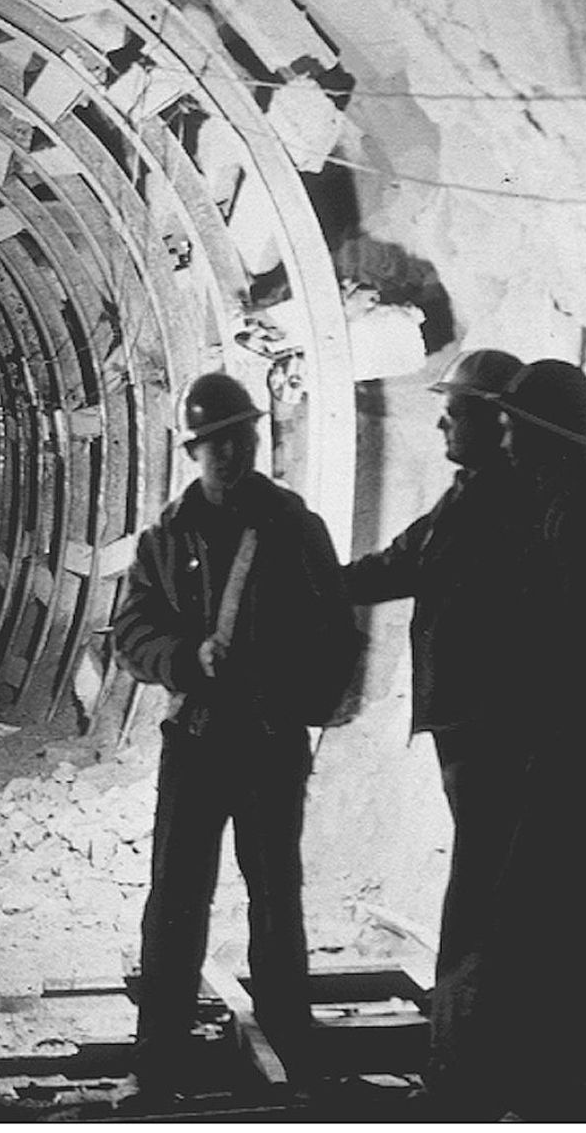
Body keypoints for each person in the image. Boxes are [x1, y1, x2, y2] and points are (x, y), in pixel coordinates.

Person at [113, 371, 360, 1103]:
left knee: (275, 897)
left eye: (238, 438)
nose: (227, 452)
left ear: (254, 441)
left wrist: (301, 703)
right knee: (175, 900)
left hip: (267, 741)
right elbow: (131, 629)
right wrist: (187, 657)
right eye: (213, 442)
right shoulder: (166, 534)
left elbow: (335, 629)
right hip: (194, 740)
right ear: (195, 450)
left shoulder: (293, 526)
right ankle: (156, 1061)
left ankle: (290, 1045)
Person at [341, 347, 528, 1115]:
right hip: (466, 726)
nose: (443, 418)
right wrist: (312, 578)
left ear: (496, 421)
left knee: (485, 892)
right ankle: (468, 1054)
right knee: (486, 886)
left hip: (493, 729)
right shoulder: (469, 496)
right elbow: (397, 564)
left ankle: (466, 1068)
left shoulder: (509, 504)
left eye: (456, 408)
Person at [486, 358, 586, 1119]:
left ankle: (585, 1071)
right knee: (581, 890)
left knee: (551, 895)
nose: (505, 440)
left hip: (576, 732)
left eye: (513, 427)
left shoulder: (580, 514)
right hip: (579, 728)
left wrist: (537, 739)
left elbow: (570, 648)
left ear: (545, 438)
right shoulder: (571, 503)